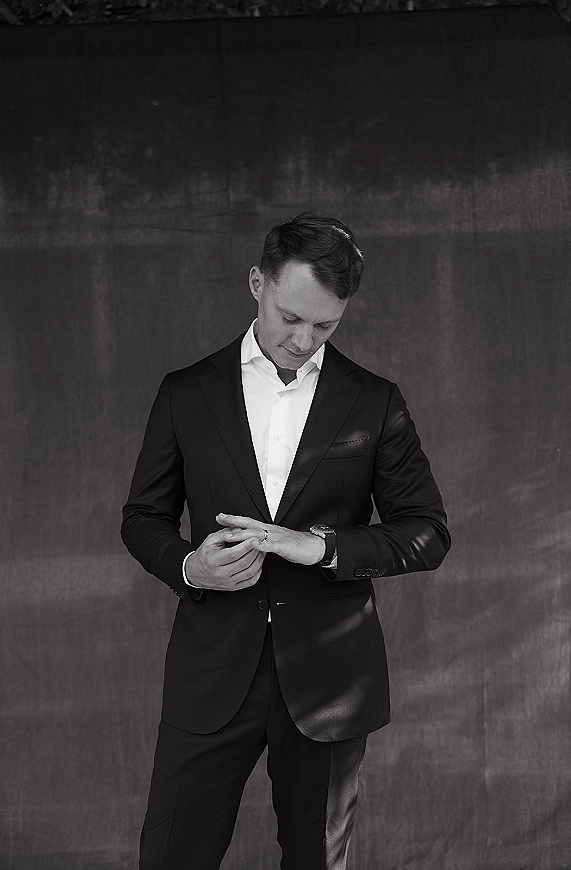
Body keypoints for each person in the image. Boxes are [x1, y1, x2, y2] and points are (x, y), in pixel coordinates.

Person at [121, 212, 450, 870]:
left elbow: (427, 533)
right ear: (257, 283)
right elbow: (142, 517)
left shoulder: (375, 401)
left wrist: (325, 549)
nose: (303, 339)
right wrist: (190, 567)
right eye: (291, 316)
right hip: (211, 670)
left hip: (331, 681)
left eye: (325, 325)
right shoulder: (186, 393)